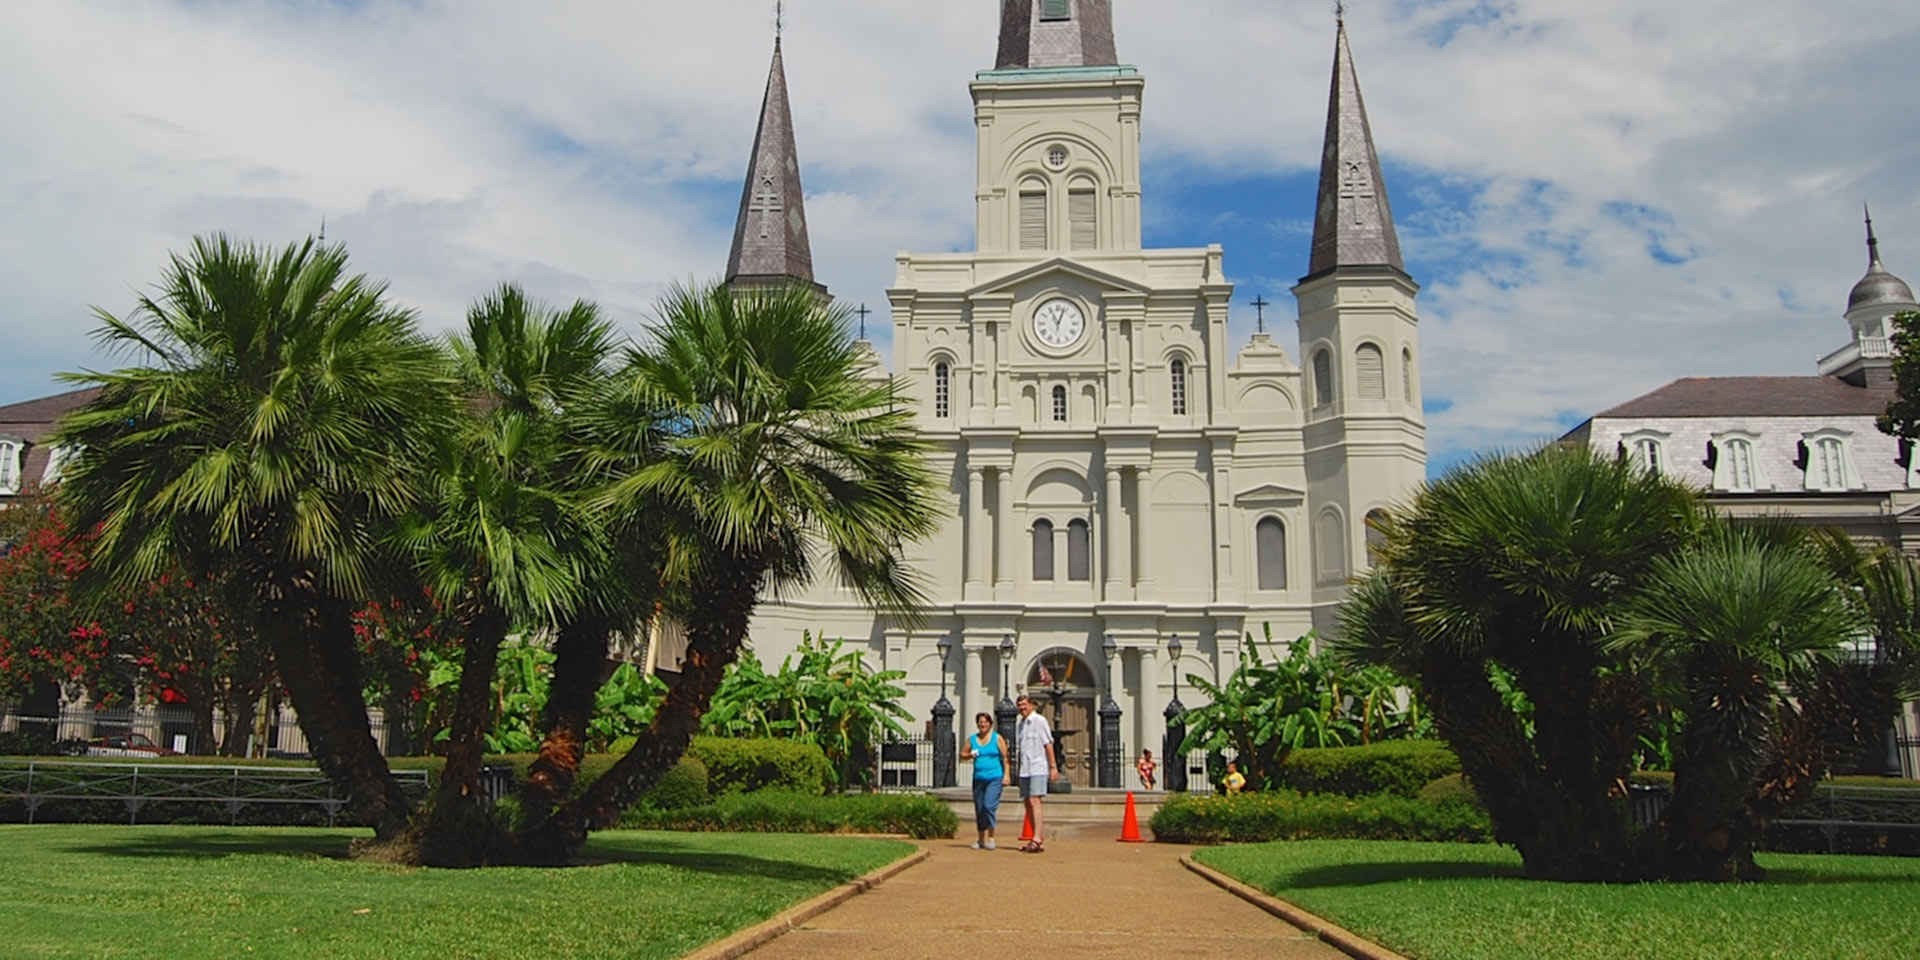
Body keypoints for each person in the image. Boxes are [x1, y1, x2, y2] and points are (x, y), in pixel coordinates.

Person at [959, 712, 1009, 850]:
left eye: (985, 722)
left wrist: (1006, 775)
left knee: (988, 806)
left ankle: (991, 837)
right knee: (980, 808)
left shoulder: (997, 738)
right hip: (978, 778)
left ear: (990, 724)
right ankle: (981, 839)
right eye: (980, 722)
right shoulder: (972, 739)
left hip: (994, 777)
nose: (983, 725)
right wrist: (969, 755)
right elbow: (962, 754)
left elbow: (1005, 757)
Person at [1013, 694, 1056, 853]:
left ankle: (1037, 838)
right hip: (1025, 769)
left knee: (1034, 800)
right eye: (1020, 706)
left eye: (1024, 705)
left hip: (1038, 766)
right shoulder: (1021, 725)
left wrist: (1053, 766)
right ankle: (1035, 837)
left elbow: (1048, 744)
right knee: (1027, 802)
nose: (1022, 708)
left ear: (1031, 705)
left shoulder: (1039, 721)